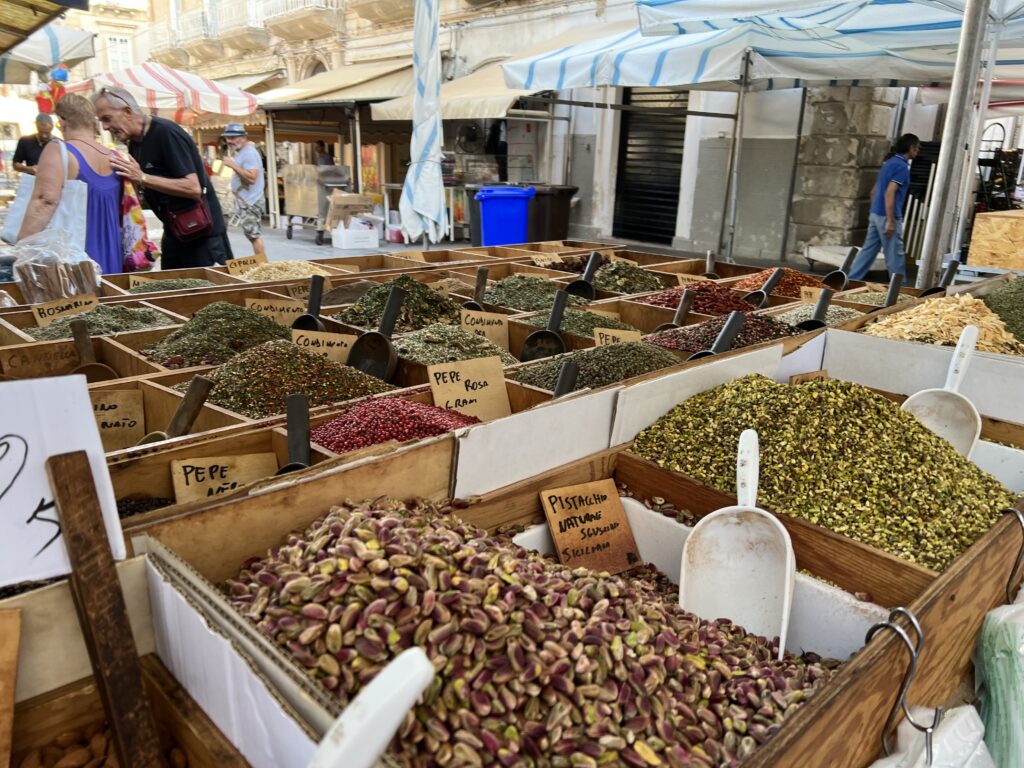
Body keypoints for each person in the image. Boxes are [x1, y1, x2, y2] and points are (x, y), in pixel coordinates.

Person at [93, 86, 233, 269]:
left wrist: (142, 177)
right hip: (176, 234)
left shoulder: (166, 133)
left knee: (209, 294)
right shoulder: (135, 143)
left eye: (107, 119)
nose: (105, 127)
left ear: (127, 111)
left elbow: (193, 188)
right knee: (170, 293)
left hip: (202, 237)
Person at [17, 95, 122, 274]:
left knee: (78, 302)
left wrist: (21, 245)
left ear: (62, 122)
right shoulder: (116, 158)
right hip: (112, 253)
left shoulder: (59, 150)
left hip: (75, 257)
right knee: (111, 299)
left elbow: (45, 200)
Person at [849, 133, 921, 281]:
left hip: (876, 213)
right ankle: (900, 289)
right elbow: (890, 193)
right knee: (895, 254)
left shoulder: (888, 163)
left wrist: (875, 211)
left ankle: (849, 281)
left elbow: (873, 191)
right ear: (911, 148)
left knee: (867, 252)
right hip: (888, 216)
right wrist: (889, 220)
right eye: (917, 148)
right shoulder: (902, 167)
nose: (918, 151)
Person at [220, 123, 266, 256]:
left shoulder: (249, 153)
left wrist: (232, 165)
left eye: (234, 138)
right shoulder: (243, 152)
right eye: (228, 138)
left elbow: (252, 178)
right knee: (252, 235)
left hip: (251, 202)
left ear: (244, 137)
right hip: (247, 201)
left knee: (254, 236)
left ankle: (263, 268)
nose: (230, 141)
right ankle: (262, 266)